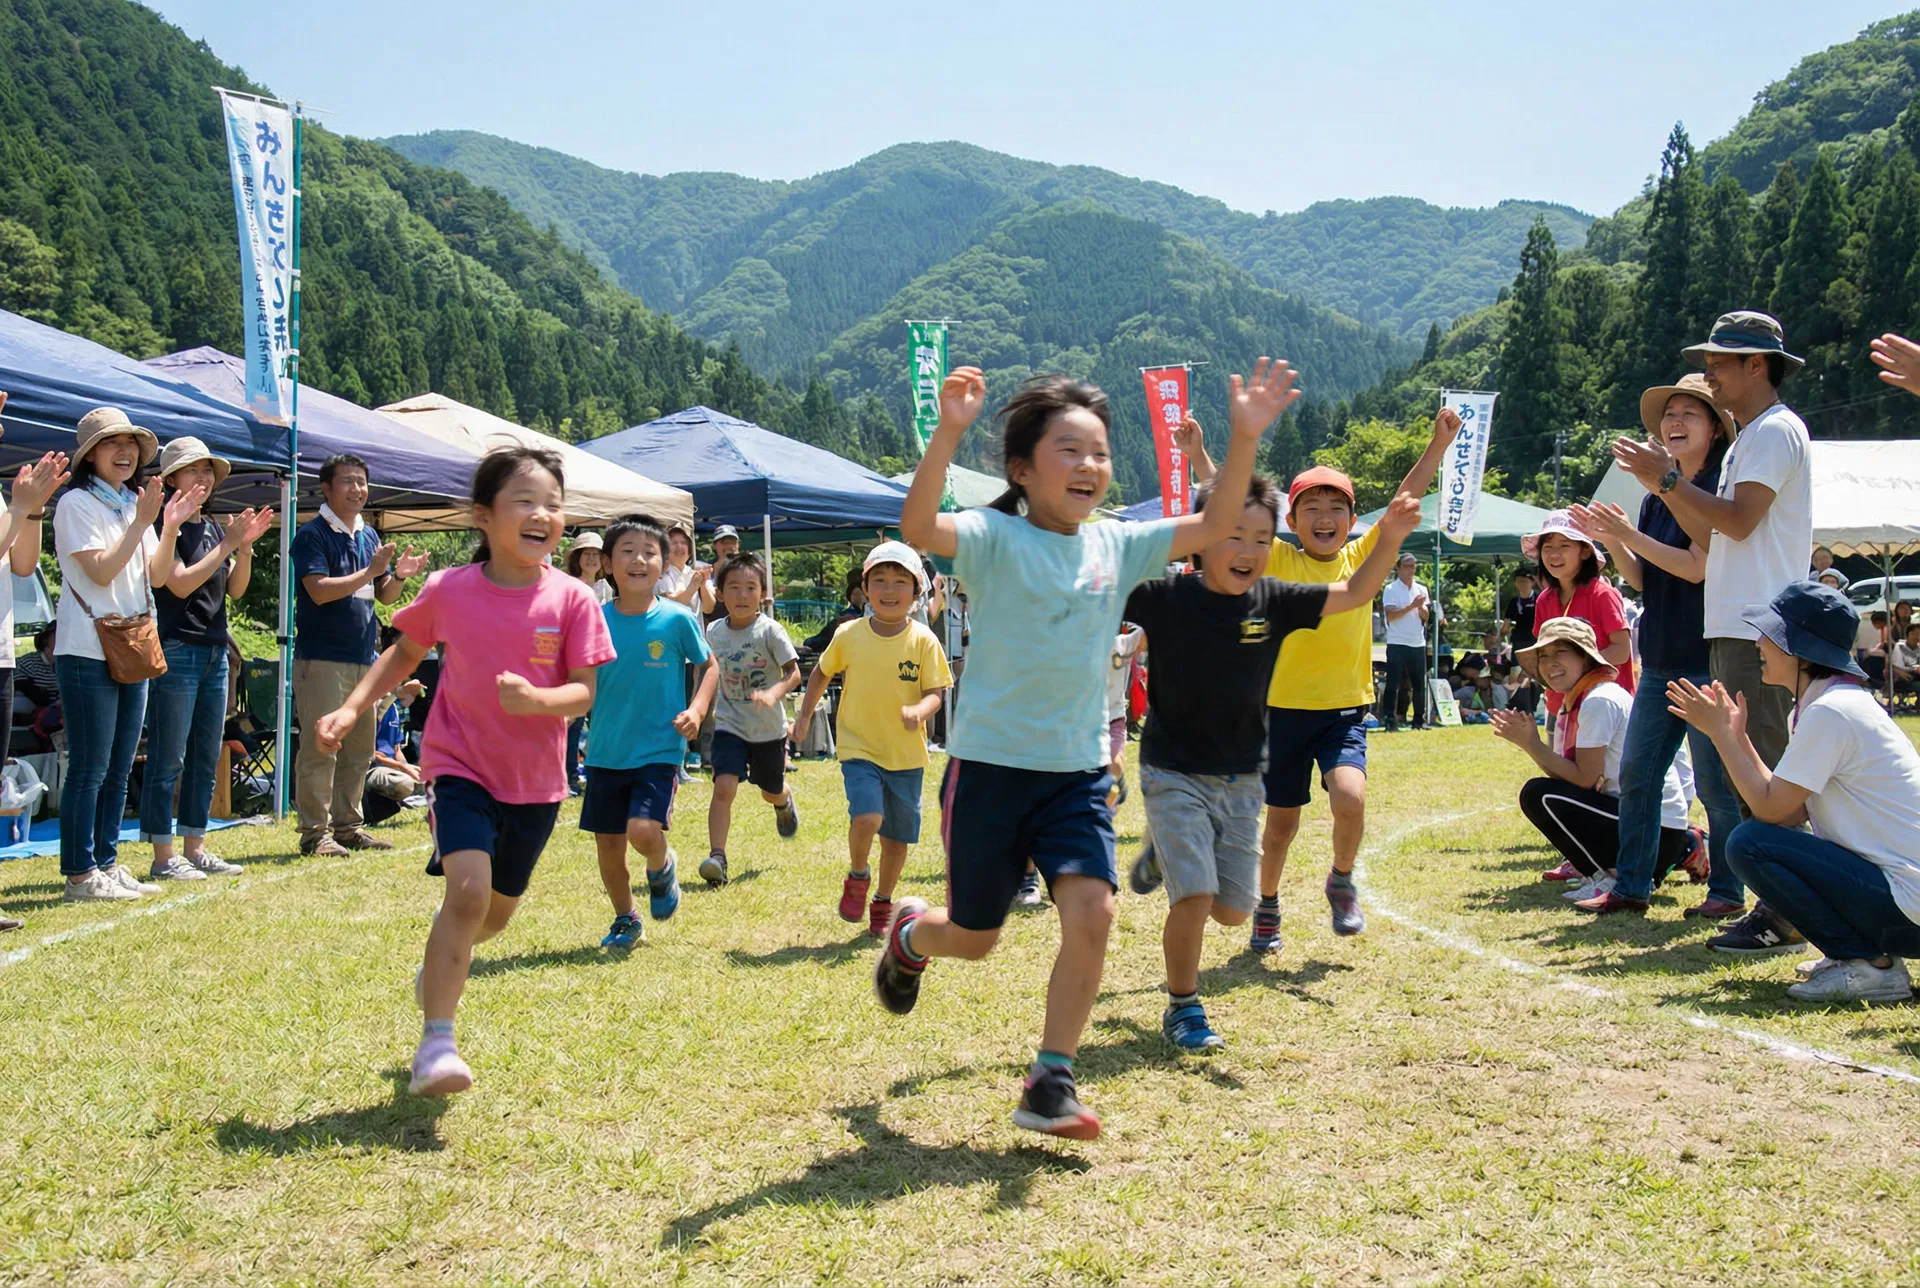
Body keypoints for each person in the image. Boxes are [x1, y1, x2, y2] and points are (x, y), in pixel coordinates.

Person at [873, 356, 1292, 1141]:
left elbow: (1211, 528)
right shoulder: (994, 537)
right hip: (990, 771)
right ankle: (911, 935)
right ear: (1022, 470)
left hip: (1075, 774)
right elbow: (919, 529)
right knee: (976, 937)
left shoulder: (1117, 545)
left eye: (1099, 452)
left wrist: (1242, 440)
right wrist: (948, 432)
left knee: (1094, 912)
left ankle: (1050, 1079)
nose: (1089, 465)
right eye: (1068, 450)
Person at [312, 447, 615, 1098]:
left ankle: (439, 967)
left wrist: (539, 700)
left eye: (553, 505)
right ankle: (437, 1043)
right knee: (468, 894)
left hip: (535, 783)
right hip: (458, 766)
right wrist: (352, 706)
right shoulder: (449, 588)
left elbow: (585, 692)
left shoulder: (573, 599)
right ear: (483, 516)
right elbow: (404, 654)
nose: (542, 515)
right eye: (525, 501)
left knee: (493, 918)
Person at [1126, 476, 1417, 1050]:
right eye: (1233, 535)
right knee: (1194, 894)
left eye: (1262, 539)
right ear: (1201, 536)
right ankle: (1184, 1007)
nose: (1251, 550)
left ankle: (1166, 852)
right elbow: (1091, 588)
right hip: (1172, 769)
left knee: (1231, 911)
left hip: (1239, 776)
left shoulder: (1275, 598)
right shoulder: (1165, 596)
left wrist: (1391, 537)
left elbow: (1356, 591)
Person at [1188, 408, 1458, 951]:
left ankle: (1341, 879)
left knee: (1350, 799)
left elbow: (1404, 500)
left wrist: (1439, 444)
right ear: (1291, 519)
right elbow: (1233, 509)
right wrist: (1198, 456)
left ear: (1353, 518)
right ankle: (1267, 904)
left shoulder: (1363, 554)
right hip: (1281, 714)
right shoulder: (1277, 558)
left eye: (1337, 508)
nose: (1325, 517)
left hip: (1343, 711)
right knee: (1280, 828)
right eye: (1312, 508)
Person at [1614, 310, 1814, 951]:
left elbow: (1740, 521)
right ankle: (1779, 907)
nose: (1709, 375)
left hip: (1755, 628)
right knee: (1744, 779)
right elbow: (1710, 534)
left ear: (1757, 365)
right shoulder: (1754, 437)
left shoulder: (1773, 431)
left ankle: (1788, 912)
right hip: (1734, 628)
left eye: (1718, 363)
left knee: (1764, 776)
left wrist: (1667, 480)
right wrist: (1663, 488)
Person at [1668, 582, 1920, 999]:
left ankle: (1870, 966)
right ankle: (1861, 957)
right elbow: (1788, 811)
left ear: (1799, 649)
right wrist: (1736, 736)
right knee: (1756, 840)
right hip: (1903, 901)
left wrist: (1722, 736)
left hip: (1907, 906)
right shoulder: (1828, 704)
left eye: (1770, 635)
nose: (1759, 643)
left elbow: (1771, 813)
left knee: (1748, 843)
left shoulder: (1831, 712)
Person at [1568, 372, 1741, 916]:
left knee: (1715, 787)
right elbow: (1645, 579)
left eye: (1689, 413)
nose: (1674, 422)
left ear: (1715, 428)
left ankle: (1727, 893)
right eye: (1669, 414)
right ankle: (1631, 886)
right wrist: (1616, 539)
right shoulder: (1654, 499)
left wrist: (1627, 535)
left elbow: (1695, 567)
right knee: (1637, 776)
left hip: (1707, 660)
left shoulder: (1716, 491)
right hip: (1661, 660)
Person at [52, 410, 200, 901]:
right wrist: (141, 522)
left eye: (131, 443)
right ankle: (80, 873)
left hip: (132, 645)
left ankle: (106, 862)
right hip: (86, 649)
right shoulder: (76, 503)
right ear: (89, 454)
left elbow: (156, 576)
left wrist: (168, 526)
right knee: (89, 768)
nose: (125, 452)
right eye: (111, 443)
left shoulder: (132, 503)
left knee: (119, 768)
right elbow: (101, 572)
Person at [791, 540, 951, 938]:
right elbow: (822, 672)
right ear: (864, 588)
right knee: (867, 816)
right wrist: (804, 715)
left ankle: (882, 900)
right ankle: (858, 874)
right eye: (879, 580)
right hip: (859, 748)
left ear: (917, 592)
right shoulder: (849, 634)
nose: (889, 590)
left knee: (896, 840)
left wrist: (920, 710)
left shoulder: (924, 640)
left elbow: (936, 693)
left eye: (900, 581)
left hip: (906, 755)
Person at [138, 437, 273, 881]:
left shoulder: (215, 529)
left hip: (215, 652)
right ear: (171, 478)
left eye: (208, 470)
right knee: (168, 756)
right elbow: (177, 584)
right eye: (193, 469)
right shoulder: (164, 525)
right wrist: (229, 544)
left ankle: (195, 847)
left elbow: (235, 590)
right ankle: (163, 855)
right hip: (177, 649)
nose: (204, 477)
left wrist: (244, 547)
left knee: (205, 756)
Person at [1489, 619, 1697, 906]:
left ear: (1585, 657)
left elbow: (1584, 778)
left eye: (1561, 651)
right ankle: (1628, 867)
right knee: (1547, 794)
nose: (1550, 663)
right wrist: (1531, 745)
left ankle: (1609, 878)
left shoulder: (1599, 699)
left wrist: (1531, 744)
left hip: (1654, 830)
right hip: (1650, 825)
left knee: (1538, 795)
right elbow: (1570, 779)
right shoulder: (1581, 699)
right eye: (1543, 656)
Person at [581, 514, 716, 950]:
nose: (638, 560)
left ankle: (661, 864)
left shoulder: (677, 619)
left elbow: (709, 666)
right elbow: (578, 679)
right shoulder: (593, 620)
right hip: (605, 750)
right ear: (607, 564)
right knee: (608, 846)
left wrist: (696, 709)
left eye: (649, 552)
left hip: (659, 747)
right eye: (627, 551)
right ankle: (626, 918)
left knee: (642, 830)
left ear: (664, 562)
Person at [291, 454, 428, 857]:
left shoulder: (368, 535)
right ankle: (314, 833)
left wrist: (398, 575)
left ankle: (348, 827)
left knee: (359, 750)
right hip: (322, 657)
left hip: (364, 657)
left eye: (362, 482)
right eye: (347, 481)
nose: (357, 489)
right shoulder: (312, 534)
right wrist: (370, 572)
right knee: (322, 746)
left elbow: (383, 596)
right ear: (326, 488)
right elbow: (318, 591)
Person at [702, 552, 802, 886]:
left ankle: (783, 801)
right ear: (720, 593)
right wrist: (698, 708)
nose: (742, 595)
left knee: (769, 789)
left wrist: (773, 694)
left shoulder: (770, 631)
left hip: (768, 729)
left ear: (762, 593)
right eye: (733, 587)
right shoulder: (714, 631)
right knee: (723, 786)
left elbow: (794, 673)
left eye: (750, 588)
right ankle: (718, 857)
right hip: (729, 723)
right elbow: (708, 672)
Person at [1522, 511, 1634, 715]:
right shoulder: (1544, 600)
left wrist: (1576, 667)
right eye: (1547, 547)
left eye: (1564, 545)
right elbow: (1543, 651)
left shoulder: (1603, 594)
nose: (1554, 554)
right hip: (1560, 704)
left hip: (1603, 705)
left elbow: (1622, 650)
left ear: (1585, 552)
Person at [1379, 553, 1432, 731]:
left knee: (1418, 684)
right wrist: (1411, 606)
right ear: (1399, 568)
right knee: (1393, 683)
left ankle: (1418, 721)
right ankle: (1389, 720)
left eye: (1413, 566)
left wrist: (1421, 608)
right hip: (1397, 642)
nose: (1411, 570)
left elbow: (1426, 617)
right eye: (1407, 566)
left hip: (1417, 642)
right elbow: (1391, 616)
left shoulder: (1421, 589)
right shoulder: (1391, 589)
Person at [367, 680, 427, 805]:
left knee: (425, 780)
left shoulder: (394, 709)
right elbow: (370, 754)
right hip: (372, 768)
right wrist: (402, 767)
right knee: (403, 783)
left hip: (390, 767)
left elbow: (397, 749)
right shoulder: (373, 707)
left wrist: (408, 767)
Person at [1106, 623, 1145, 803]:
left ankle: (1119, 786)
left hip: (1113, 717)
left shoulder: (1126, 642)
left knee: (1114, 765)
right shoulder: (1078, 644)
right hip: (1083, 719)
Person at [659, 524, 716, 616]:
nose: (679, 546)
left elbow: (708, 609)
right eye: (673, 543)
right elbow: (669, 607)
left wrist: (703, 584)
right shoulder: (660, 575)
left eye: (684, 543)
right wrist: (693, 586)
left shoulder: (696, 573)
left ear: (689, 551)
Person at [565, 531, 612, 604]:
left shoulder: (604, 587)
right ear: (577, 558)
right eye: (586, 553)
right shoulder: (568, 586)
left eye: (595, 554)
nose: (591, 558)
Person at [1504, 568, 1540, 651]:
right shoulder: (1514, 602)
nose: (1522, 584)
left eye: (1525, 581)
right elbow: (1506, 624)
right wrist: (1497, 638)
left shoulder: (1539, 599)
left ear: (1532, 583)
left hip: (1536, 641)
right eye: (1519, 581)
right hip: (1518, 642)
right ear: (1515, 583)